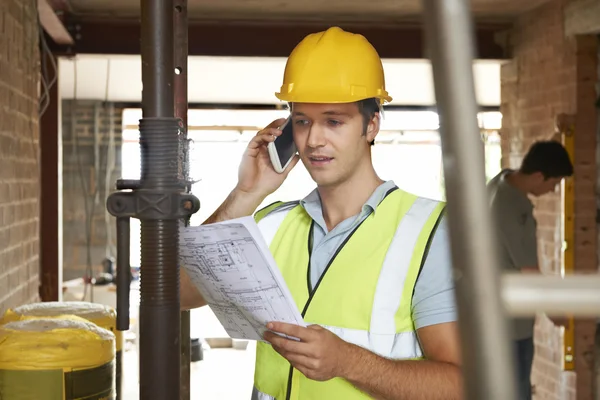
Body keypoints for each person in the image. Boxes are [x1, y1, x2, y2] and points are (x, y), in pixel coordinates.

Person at [181, 26, 462, 399]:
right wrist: (247, 193)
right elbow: (175, 294)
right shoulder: (272, 223)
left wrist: (347, 362)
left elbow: (460, 384)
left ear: (372, 123)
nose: (314, 140)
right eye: (302, 121)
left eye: (334, 121)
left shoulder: (429, 232)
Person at [487, 140, 573, 400]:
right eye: (553, 183)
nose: (552, 190)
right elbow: (529, 271)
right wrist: (556, 312)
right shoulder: (513, 209)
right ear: (538, 176)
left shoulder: (497, 183)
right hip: (510, 326)